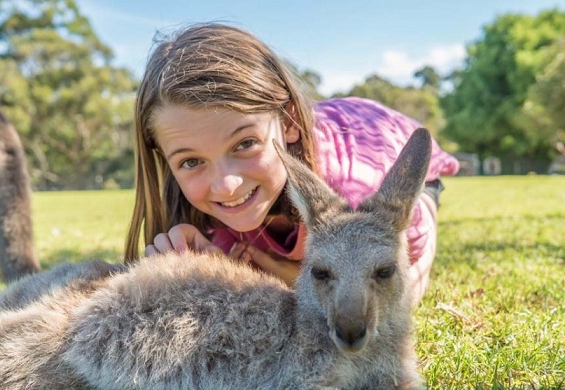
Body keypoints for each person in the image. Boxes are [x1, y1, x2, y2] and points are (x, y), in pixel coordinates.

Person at [124, 23, 459, 304]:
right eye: (192, 161)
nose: (227, 184)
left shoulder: (359, 193)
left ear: (289, 123)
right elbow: (235, 266)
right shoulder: (212, 196)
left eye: (245, 143)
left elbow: (400, 293)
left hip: (389, 146)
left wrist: (289, 278)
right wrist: (209, 261)